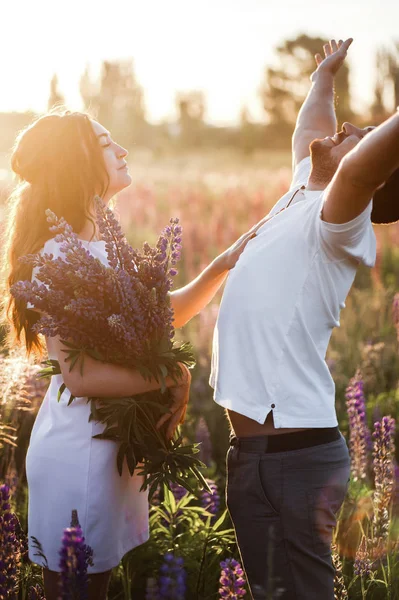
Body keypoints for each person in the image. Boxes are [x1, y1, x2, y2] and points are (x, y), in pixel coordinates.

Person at [0, 111, 259, 600]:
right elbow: (79, 376)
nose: (121, 149)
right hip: (80, 451)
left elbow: (153, 319)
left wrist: (220, 267)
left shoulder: (96, 248)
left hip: (108, 448)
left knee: (94, 586)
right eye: (105, 142)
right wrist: (169, 377)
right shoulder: (57, 256)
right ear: (78, 162)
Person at [210, 38, 399, 599]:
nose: (344, 131)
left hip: (293, 458)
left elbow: (361, 171)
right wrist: (323, 76)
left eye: (357, 138)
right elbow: (310, 129)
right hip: (257, 456)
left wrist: (371, 146)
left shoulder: (338, 224)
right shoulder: (299, 191)